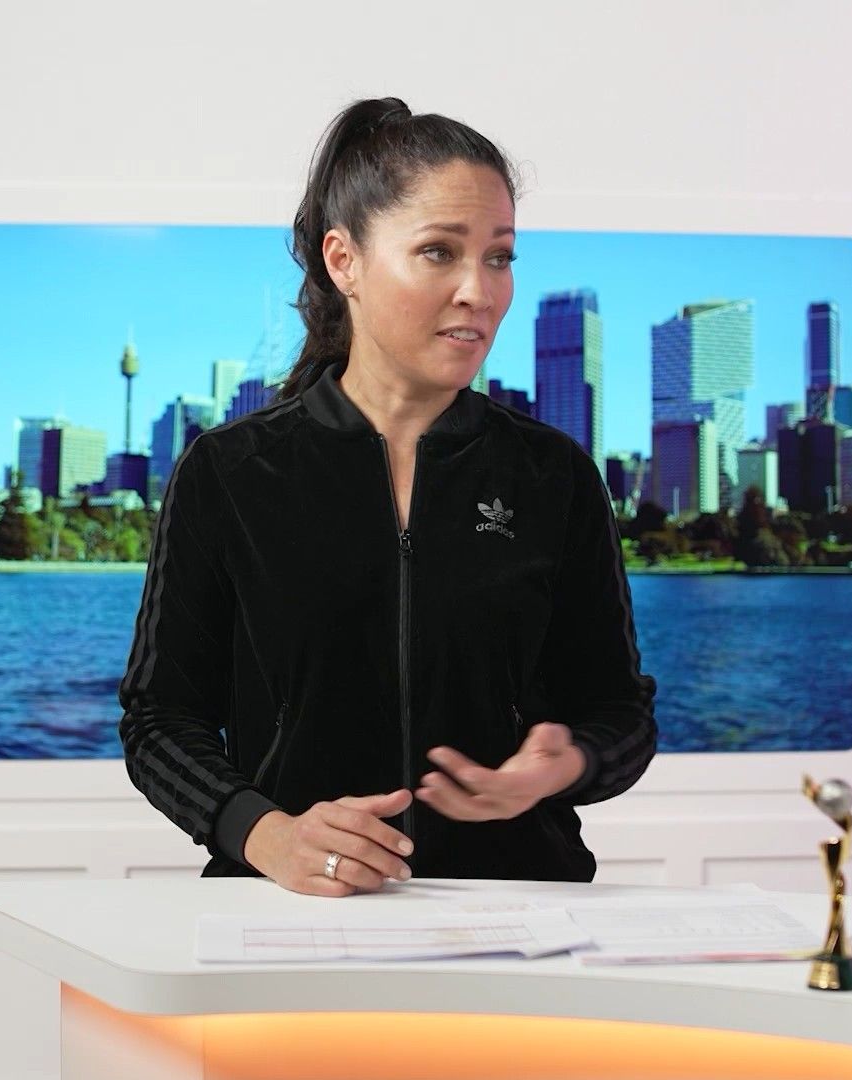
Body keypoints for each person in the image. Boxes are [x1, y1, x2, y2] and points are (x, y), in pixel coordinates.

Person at [118, 97, 658, 896]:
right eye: (439, 252)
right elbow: (158, 722)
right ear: (345, 261)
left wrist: (568, 763)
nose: (479, 290)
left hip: (518, 916)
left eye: (499, 257)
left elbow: (622, 713)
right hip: (294, 915)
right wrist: (267, 834)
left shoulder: (555, 475)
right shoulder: (229, 472)